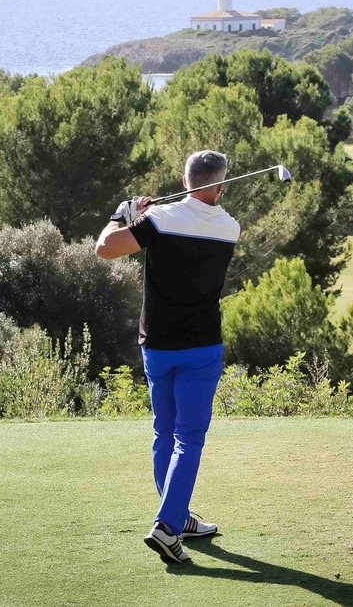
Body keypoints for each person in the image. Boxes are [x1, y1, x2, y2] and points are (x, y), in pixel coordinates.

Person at [95, 150, 240, 564]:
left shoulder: (159, 219)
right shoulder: (230, 227)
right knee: (189, 437)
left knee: (165, 432)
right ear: (220, 186)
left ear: (184, 178)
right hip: (201, 346)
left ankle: (176, 515)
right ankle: (167, 525)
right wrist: (146, 219)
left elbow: (106, 248)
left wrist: (123, 213)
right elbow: (194, 224)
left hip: (157, 345)